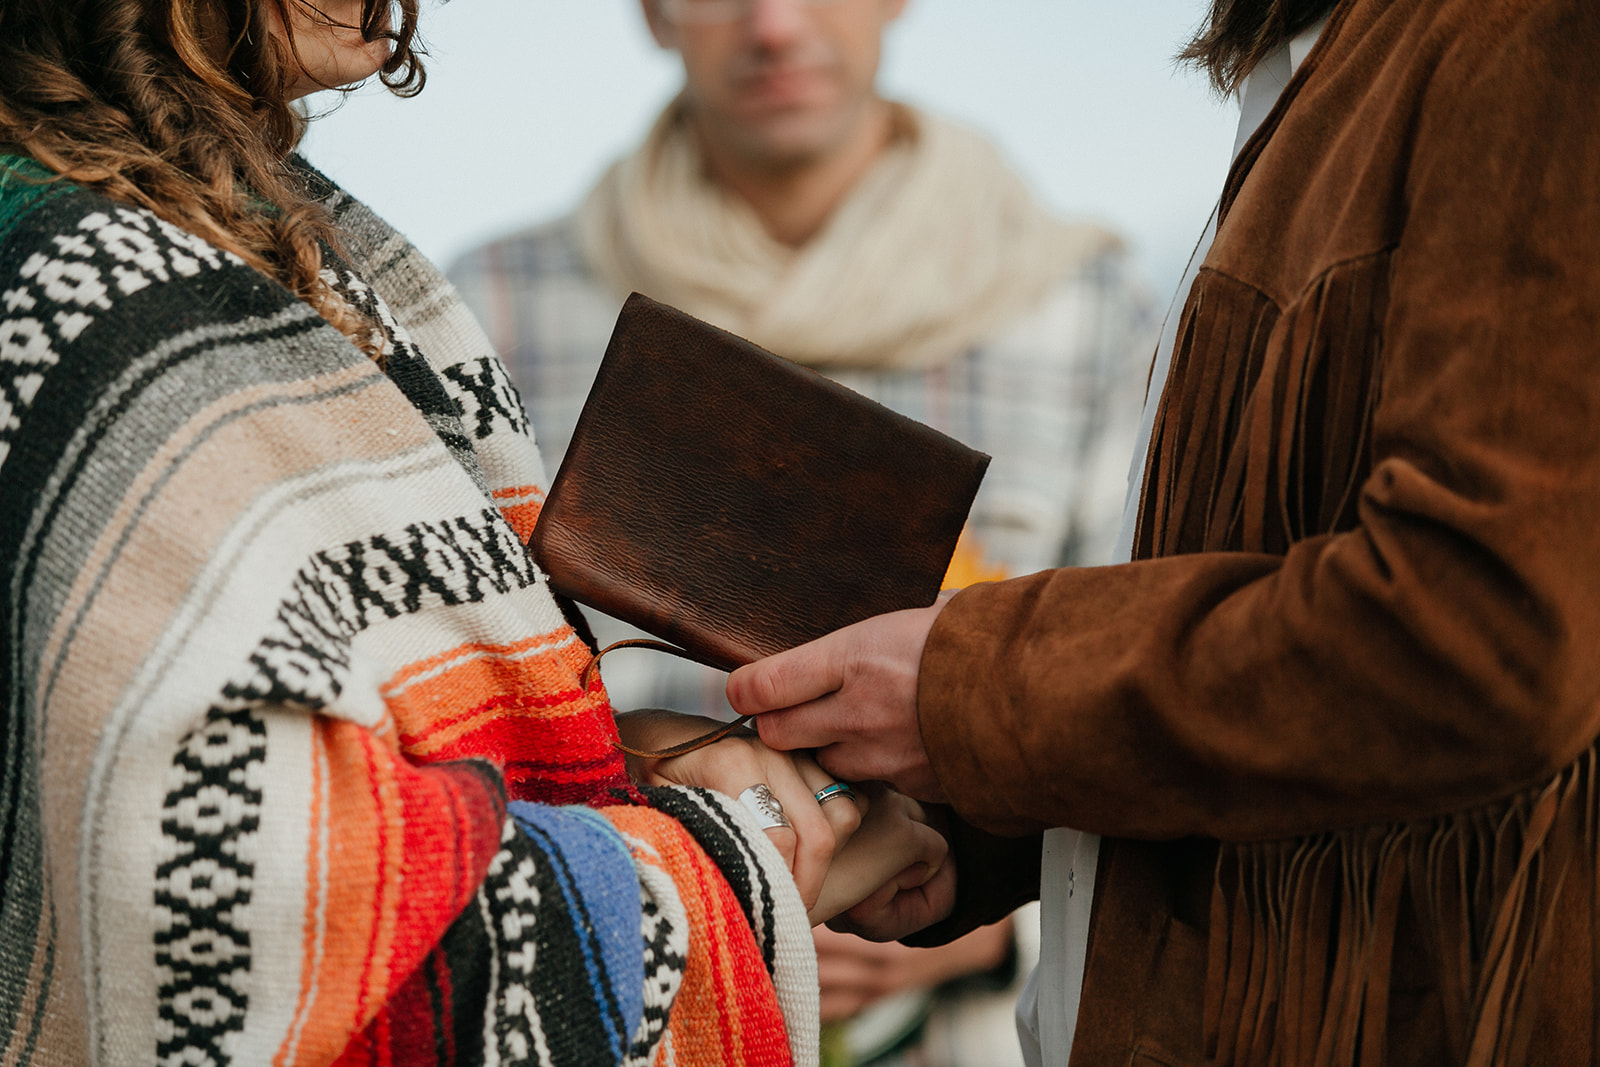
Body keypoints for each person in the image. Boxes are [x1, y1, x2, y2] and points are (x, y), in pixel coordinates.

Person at [0, 2, 948, 1064]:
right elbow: (238, 924)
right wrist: (741, 858)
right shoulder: (95, 296)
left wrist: (635, 769)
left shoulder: (292, 243)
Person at [729, 0, 1600, 1063]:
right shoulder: (1330, 70)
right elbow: (1258, 657)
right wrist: (970, 834)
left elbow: (1482, 635)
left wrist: (970, 690)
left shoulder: (1525, 36)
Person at [448, 1, 1151, 1061]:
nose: (773, 24)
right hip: (637, 989)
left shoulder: (1086, 312)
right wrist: (697, 875)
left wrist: (989, 915)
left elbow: (1131, 684)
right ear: (651, 13)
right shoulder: (494, 308)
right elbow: (448, 693)